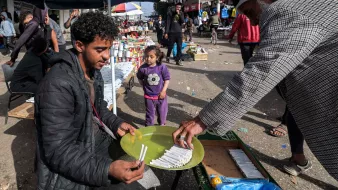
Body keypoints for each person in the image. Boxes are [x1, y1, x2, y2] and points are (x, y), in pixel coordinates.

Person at [173, 0, 338, 180]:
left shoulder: (285, 10)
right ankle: (298, 157)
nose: (252, 22)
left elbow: (263, 70)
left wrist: (203, 120)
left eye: (250, 13)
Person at [34, 12, 145, 189]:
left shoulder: (92, 70)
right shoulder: (57, 84)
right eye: (100, 49)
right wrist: (106, 168)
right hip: (70, 158)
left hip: (92, 139)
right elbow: (57, 151)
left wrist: (116, 123)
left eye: (109, 48)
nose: (107, 56)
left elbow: (97, 106)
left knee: (137, 161)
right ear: (79, 45)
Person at [137, 46, 170, 126]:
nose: (148, 59)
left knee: (162, 113)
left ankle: (161, 126)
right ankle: (149, 127)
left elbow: (167, 79)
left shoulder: (162, 67)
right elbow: (139, 78)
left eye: (151, 57)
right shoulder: (142, 69)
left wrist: (163, 91)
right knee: (150, 115)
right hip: (149, 97)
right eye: (146, 56)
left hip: (161, 96)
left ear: (157, 57)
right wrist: (143, 86)